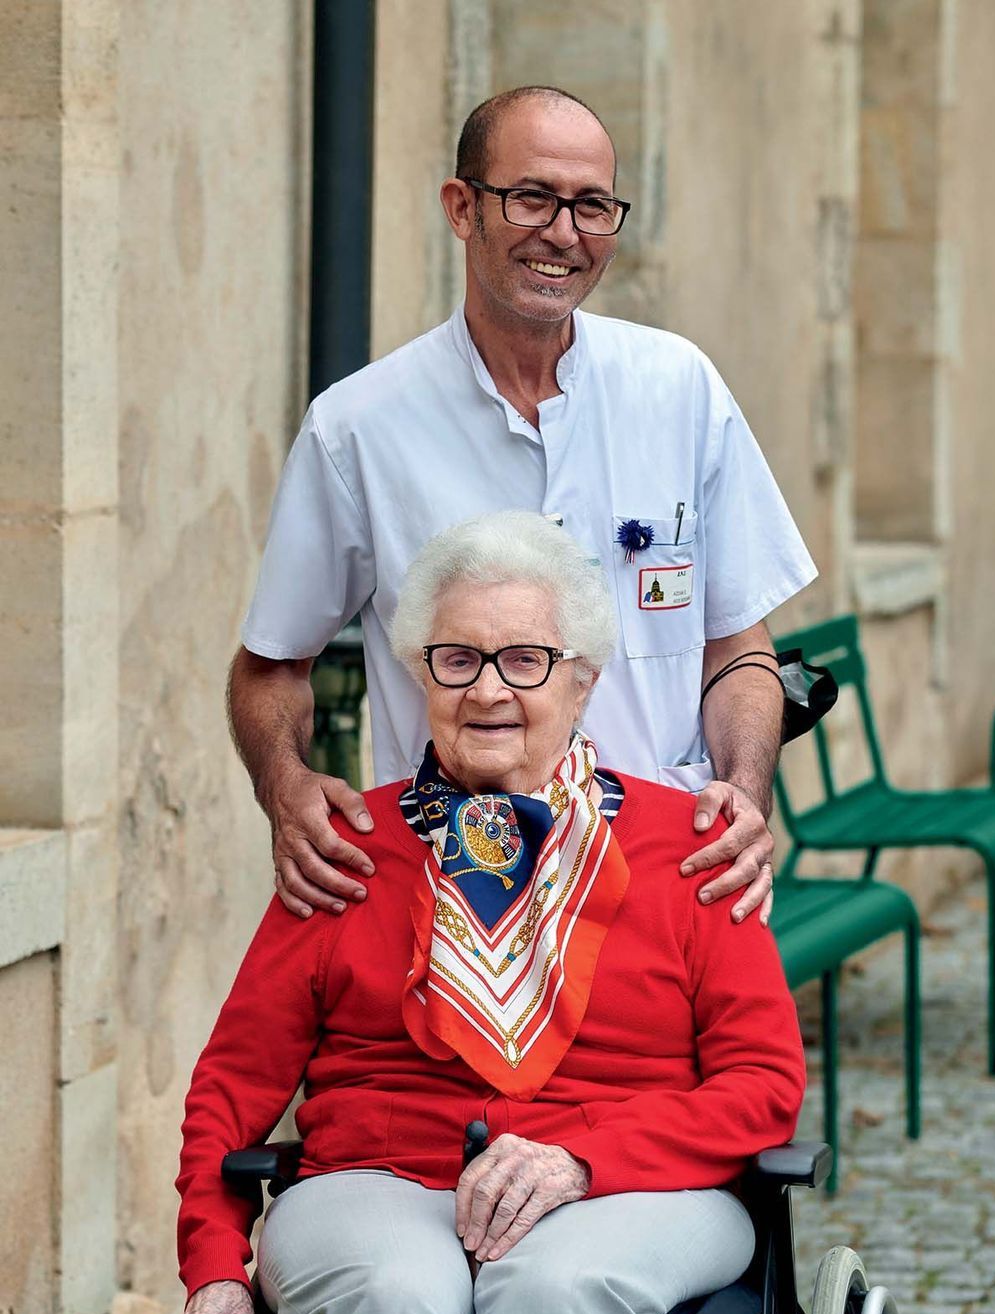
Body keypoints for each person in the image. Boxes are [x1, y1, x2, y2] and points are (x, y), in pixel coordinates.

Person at [175, 514, 805, 1314]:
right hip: (377, 1180)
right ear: (420, 678)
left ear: (582, 682)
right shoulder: (345, 849)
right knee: (393, 1296)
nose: (487, 691)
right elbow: (234, 1083)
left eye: (525, 661)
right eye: (458, 659)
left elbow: (763, 1085)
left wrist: (586, 1157)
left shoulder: (690, 848)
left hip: (631, 1186)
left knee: (554, 1290)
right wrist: (215, 1262)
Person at [228, 84, 817, 928]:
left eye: (592, 206)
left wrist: (747, 791)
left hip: (670, 882)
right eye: (533, 197)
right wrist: (286, 789)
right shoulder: (358, 428)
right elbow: (270, 664)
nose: (565, 234)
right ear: (462, 207)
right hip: (458, 896)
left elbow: (737, 646)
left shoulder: (679, 388)